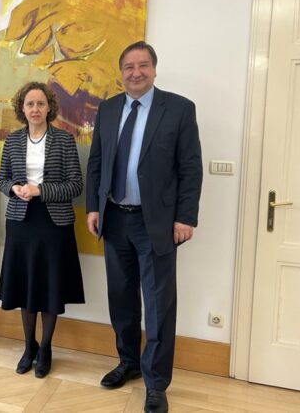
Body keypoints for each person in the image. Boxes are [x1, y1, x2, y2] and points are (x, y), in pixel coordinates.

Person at [86, 41, 203, 413]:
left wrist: (185, 217)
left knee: (158, 304)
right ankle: (129, 362)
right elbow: (96, 162)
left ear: (154, 69)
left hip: (157, 223)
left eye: (143, 65)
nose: (135, 72)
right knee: (121, 298)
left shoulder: (179, 109)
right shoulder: (107, 109)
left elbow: (190, 168)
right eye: (129, 67)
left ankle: (156, 383)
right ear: (121, 72)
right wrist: (93, 207)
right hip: (114, 217)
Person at [0, 81, 85, 378]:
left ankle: (46, 347)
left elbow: (75, 185)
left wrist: (40, 190)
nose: (35, 109)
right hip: (20, 221)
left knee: (49, 286)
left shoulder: (64, 140)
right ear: (22, 109)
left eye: (40, 104)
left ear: (50, 108)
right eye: (30, 104)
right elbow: (2, 179)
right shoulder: (12, 140)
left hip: (53, 223)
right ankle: (29, 346)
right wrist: (14, 188)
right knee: (25, 285)